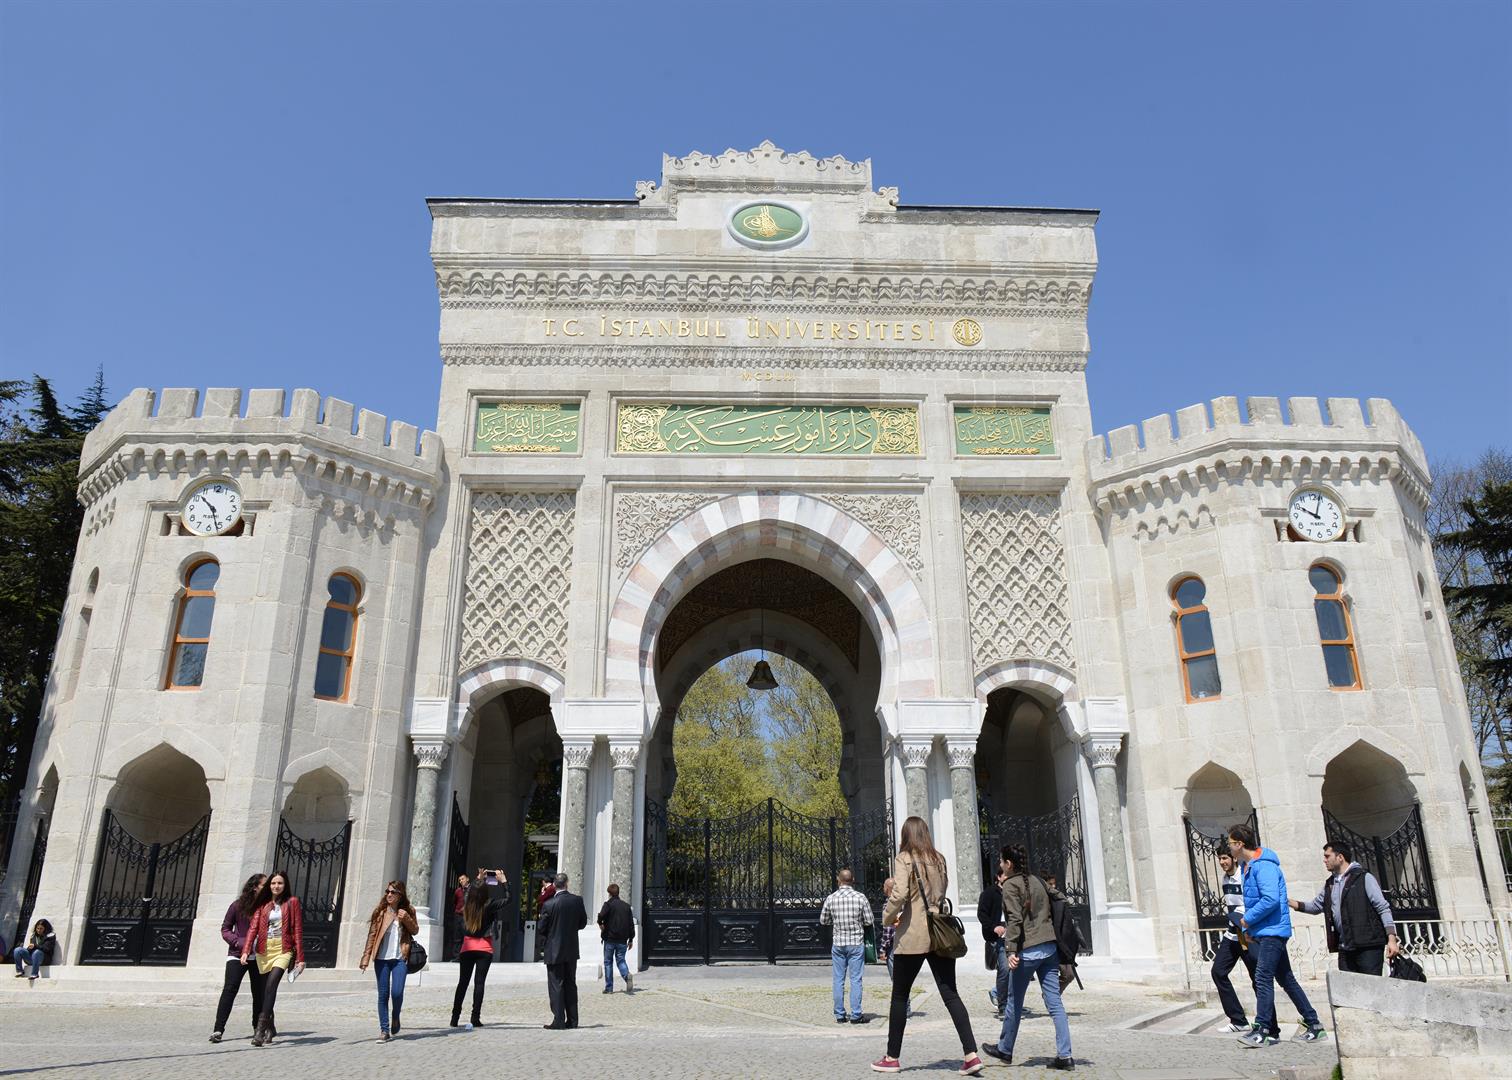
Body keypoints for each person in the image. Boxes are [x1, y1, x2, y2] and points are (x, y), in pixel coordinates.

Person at [871, 815, 983, 1076]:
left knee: (900, 996)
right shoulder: (939, 859)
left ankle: (892, 1057)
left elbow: (899, 894)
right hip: (939, 932)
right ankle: (971, 1054)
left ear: (905, 835)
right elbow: (942, 891)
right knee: (951, 994)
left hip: (913, 934)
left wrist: (887, 917)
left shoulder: (904, 858)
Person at [1226, 824, 1327, 1048]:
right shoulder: (1247, 866)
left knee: (1262, 977)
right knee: (1286, 978)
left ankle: (1263, 1029)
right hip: (1265, 930)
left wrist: (1247, 920)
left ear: (1240, 844)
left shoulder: (1264, 866)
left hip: (1273, 931)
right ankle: (1314, 1024)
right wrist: (1250, 930)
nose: (1229, 847)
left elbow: (1270, 899)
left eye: (1230, 843)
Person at [981, 845, 1073, 1070]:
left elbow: (1014, 920)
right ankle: (1065, 1056)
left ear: (1009, 864)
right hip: (1049, 948)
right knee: (1055, 1003)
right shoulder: (1038, 881)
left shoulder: (1010, 885)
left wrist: (1010, 951)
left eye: (1001, 861)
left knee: (1014, 1002)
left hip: (1027, 951)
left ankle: (1005, 1050)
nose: (1000, 864)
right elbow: (1061, 898)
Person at [1289, 840, 1399, 976]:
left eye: (1327, 856)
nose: (1324, 860)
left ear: (1340, 857)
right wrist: (1287, 901)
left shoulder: (1364, 878)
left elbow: (1383, 908)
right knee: (1347, 987)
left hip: (1368, 947)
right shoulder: (1331, 884)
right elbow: (1315, 906)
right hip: (1345, 947)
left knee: (1370, 987)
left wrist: (1392, 940)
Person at [239, 869, 305, 1047]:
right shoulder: (263, 904)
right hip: (264, 950)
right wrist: (246, 950)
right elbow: (253, 928)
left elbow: (297, 930)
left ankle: (260, 1030)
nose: (276, 886)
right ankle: (270, 1027)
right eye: (273, 883)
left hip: (283, 949)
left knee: (271, 985)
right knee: (266, 991)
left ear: (285, 885)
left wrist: (300, 958)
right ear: (269, 885)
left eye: (280, 883)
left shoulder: (292, 902)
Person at [359, 879, 419, 1042]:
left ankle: (396, 1015)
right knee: (383, 995)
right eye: (387, 892)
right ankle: (384, 1030)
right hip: (382, 959)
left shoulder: (408, 911)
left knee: (397, 993)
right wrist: (365, 957)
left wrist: (406, 918)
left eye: (393, 892)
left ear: (400, 895)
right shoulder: (380, 912)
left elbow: (415, 930)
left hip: (400, 958)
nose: (389, 895)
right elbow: (372, 936)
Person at [210, 874, 266, 1042]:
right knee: (229, 989)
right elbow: (225, 928)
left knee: (259, 993)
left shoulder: (269, 907)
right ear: (255, 887)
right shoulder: (237, 906)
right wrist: (238, 942)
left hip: (259, 956)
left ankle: (258, 1029)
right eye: (264, 885)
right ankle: (218, 1029)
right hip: (237, 954)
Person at [452, 869, 511, 1028]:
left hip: (467, 946)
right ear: (485, 892)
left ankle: (454, 1017)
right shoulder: (489, 904)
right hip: (484, 947)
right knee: (479, 984)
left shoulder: (467, 903)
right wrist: (504, 881)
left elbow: (468, 891)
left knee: (463, 983)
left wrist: (478, 878)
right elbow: (508, 899)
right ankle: (475, 1017)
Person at [1209, 851, 1258, 1034]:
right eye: (1220, 859)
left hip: (1246, 935)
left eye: (1225, 858)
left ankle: (1267, 1022)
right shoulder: (1225, 879)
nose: (1222, 862)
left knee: (1257, 979)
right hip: (1231, 935)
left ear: (1234, 858)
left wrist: (1242, 920)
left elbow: (1250, 903)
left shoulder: (1243, 877)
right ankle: (1238, 1020)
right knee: (1218, 972)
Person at [821, 868, 874, 1023]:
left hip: (838, 942)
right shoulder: (860, 897)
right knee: (856, 979)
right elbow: (869, 920)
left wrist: (836, 922)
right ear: (853, 880)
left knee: (838, 979)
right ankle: (856, 1014)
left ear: (839, 880)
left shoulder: (831, 898)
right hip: (856, 942)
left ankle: (839, 1014)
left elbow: (823, 920)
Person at [539, 871, 588, 1030]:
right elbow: (582, 923)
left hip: (554, 949)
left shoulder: (548, 904)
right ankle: (573, 1020)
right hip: (571, 948)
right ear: (567, 884)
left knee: (556, 985)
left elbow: (541, 928)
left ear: (554, 885)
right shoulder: (577, 901)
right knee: (570, 984)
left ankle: (559, 1019)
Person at [977, 864, 1007, 1020]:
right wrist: (994, 927)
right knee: (1005, 969)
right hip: (998, 937)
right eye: (1005, 875)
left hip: (1013, 933)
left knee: (1019, 971)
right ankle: (1003, 1006)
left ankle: (1006, 1000)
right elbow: (981, 914)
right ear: (999, 877)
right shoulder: (989, 893)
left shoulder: (1014, 892)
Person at [596, 882, 635, 994]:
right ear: (618, 893)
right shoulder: (626, 906)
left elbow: (601, 915)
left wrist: (600, 924)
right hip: (622, 939)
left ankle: (609, 988)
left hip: (609, 938)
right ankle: (626, 975)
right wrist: (631, 939)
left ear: (609, 893)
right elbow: (631, 924)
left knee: (608, 962)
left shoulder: (608, 905)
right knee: (621, 960)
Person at [11, 918, 56, 983]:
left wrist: (35, 946)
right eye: (37, 928)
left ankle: (34, 974)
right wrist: (29, 948)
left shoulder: (50, 936)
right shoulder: (34, 936)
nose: (39, 930)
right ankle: (19, 971)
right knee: (18, 950)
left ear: (45, 928)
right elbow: (32, 948)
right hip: (33, 958)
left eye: (41, 929)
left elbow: (47, 949)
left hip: (44, 959)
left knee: (37, 952)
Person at [449, 873, 470, 960]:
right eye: (460, 880)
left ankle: (466, 956)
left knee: (467, 936)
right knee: (457, 936)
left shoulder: (472, 890)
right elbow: (454, 902)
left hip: (468, 916)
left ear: (467, 879)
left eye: (462, 879)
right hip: (458, 916)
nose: (461, 881)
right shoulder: (458, 891)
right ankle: (456, 956)